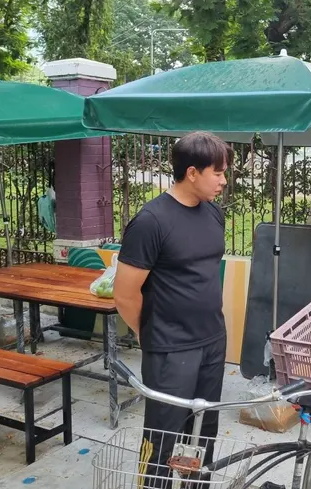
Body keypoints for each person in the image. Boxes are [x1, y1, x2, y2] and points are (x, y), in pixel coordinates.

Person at [112, 131, 233, 488]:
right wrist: (149, 333)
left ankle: (198, 484)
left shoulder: (214, 214)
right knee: (163, 432)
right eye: (218, 172)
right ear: (192, 172)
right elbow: (125, 294)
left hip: (212, 339)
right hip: (170, 347)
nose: (223, 181)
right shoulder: (151, 221)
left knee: (204, 426)